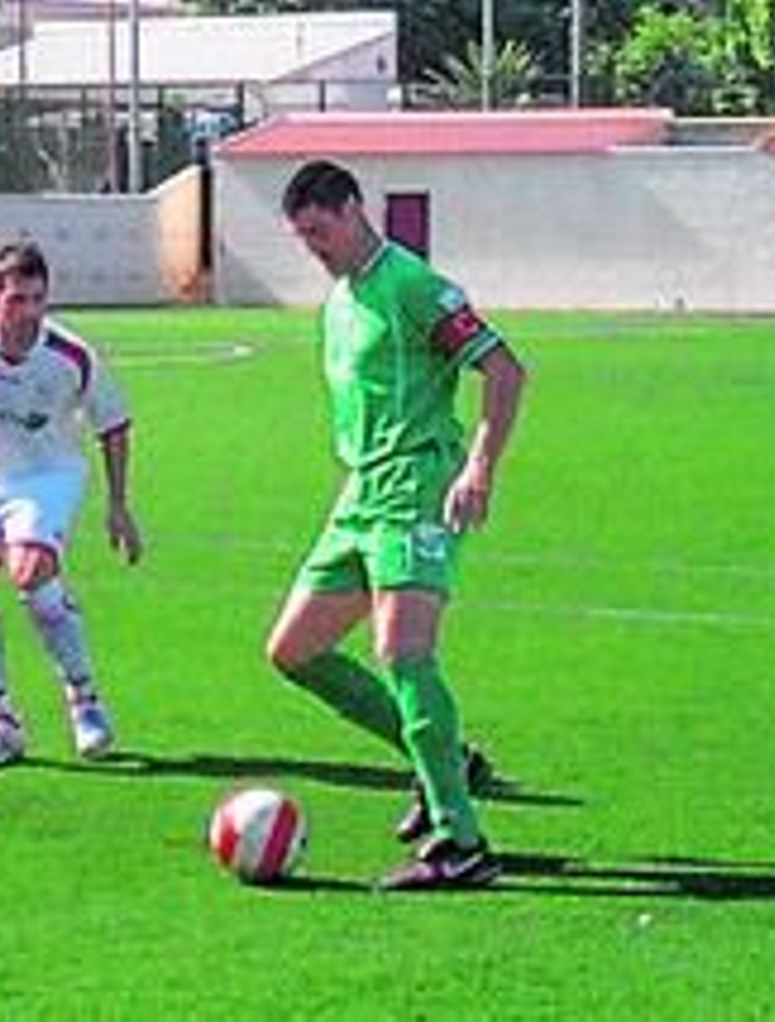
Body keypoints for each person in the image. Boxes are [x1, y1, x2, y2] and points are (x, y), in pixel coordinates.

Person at [266, 160, 527, 891]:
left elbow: (505, 370)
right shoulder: (339, 302)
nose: (314, 249)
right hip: (360, 496)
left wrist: (480, 467)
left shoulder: (412, 285)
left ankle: (461, 844)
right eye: (303, 238)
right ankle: (444, 761)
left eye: (320, 231)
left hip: (416, 486)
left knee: (404, 653)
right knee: (294, 651)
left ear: (353, 210)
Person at [0, 241, 143, 769]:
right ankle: (1, 723)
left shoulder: (72, 357)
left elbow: (114, 424)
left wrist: (119, 504)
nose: (29, 313)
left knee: (31, 572)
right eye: (17, 300)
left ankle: (84, 700)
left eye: (38, 299)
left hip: (45, 476)